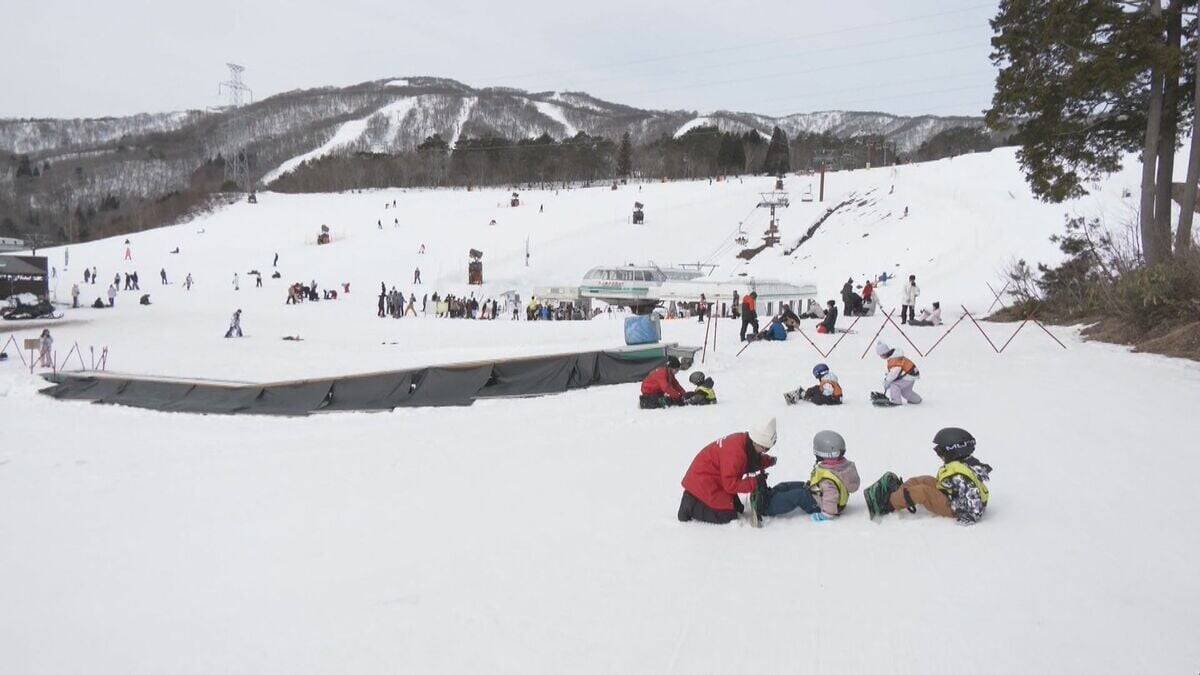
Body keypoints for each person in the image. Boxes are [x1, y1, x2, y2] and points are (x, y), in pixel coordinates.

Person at [864, 427, 992, 525]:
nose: (939, 455)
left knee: (922, 492)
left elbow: (974, 501)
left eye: (941, 452)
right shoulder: (962, 463)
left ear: (953, 451)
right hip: (952, 494)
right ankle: (900, 492)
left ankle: (888, 503)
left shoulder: (961, 476)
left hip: (956, 507)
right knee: (924, 480)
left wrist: (970, 516)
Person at [677, 418, 779, 524]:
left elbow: (750, 461)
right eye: (766, 448)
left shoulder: (745, 442)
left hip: (715, 478)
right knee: (727, 516)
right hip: (701, 482)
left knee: (738, 508)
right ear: (757, 442)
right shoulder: (736, 454)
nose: (765, 451)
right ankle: (689, 506)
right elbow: (730, 485)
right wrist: (754, 482)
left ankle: (696, 500)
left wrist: (769, 461)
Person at [806, 430, 861, 519]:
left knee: (797, 495)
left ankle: (775, 504)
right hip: (821, 493)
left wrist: (827, 514)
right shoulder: (841, 466)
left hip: (822, 503)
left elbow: (830, 496)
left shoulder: (828, 479)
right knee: (794, 486)